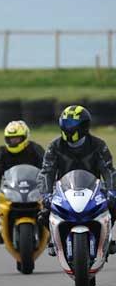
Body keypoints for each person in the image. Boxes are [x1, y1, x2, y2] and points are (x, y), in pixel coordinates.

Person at [37, 105, 116, 256]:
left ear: (84, 127)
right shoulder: (54, 146)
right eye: (65, 126)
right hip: (63, 191)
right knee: (43, 213)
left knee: (114, 205)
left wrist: (112, 190)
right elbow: (47, 172)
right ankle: (54, 241)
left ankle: (107, 238)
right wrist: (46, 194)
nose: (68, 130)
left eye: (72, 127)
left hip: (94, 190)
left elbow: (108, 170)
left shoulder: (98, 145)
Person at [0, 120, 45, 244]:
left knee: (48, 207)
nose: (13, 141)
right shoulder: (2, 151)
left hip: (34, 188)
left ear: (25, 137)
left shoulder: (35, 149)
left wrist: (48, 185)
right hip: (11, 188)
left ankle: (48, 231)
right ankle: (0, 228)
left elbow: (47, 168)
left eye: (17, 138)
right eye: (10, 139)